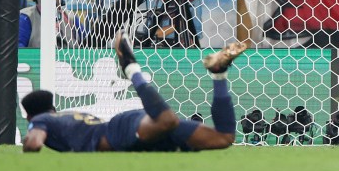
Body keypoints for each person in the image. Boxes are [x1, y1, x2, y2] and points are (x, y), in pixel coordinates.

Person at [22, 34, 244, 153]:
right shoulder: (64, 114)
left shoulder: (41, 120)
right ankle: (219, 74)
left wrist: (30, 138)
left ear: (30, 116)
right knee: (223, 138)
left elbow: (34, 143)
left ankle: (132, 70)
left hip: (118, 133)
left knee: (167, 121)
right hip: (140, 136)